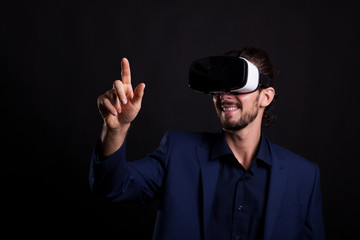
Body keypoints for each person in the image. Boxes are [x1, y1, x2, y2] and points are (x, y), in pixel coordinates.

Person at [90, 47, 326, 240]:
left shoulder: (303, 176)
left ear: (266, 96)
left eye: (237, 84)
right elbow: (113, 186)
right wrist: (116, 129)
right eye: (218, 87)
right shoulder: (177, 151)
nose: (224, 95)